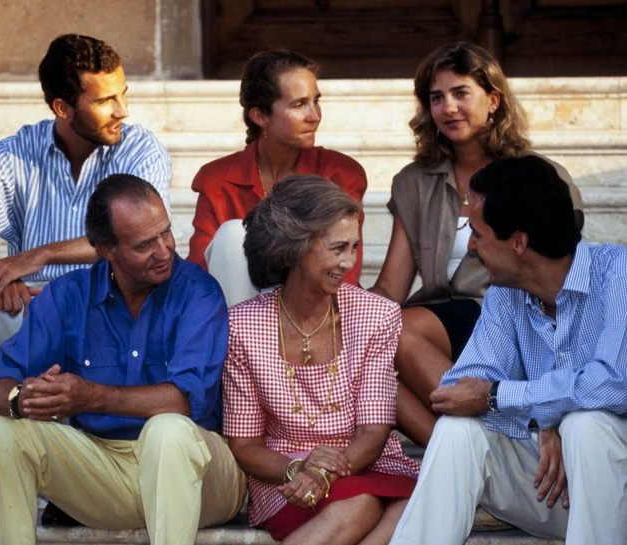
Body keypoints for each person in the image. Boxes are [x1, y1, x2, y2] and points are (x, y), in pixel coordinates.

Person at [0, 34, 172, 525]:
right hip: (32, 312)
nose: (123, 110)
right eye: (105, 100)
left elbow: (138, 237)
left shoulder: (139, 149)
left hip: (105, 313)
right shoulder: (17, 152)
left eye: (123, 93)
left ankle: (82, 483)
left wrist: (35, 256)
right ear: (63, 107)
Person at [0, 174, 246, 545]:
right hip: (106, 469)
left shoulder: (197, 291)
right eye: (145, 244)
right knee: (1, 430)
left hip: (199, 471)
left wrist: (90, 396)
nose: (164, 250)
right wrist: (22, 399)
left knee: (167, 431)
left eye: (166, 232)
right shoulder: (69, 295)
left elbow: (184, 400)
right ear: (105, 250)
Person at [389, 155, 627, 545]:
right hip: (555, 488)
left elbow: (613, 384)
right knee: (459, 429)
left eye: (478, 234)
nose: (471, 247)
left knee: (587, 425)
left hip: (617, 487)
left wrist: (514, 399)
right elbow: (460, 390)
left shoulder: (618, 274)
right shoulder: (505, 294)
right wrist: (544, 418)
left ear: (518, 242)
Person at [368, 41, 584, 447]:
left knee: (395, 330)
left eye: (461, 93)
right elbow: (390, 289)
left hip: (508, 316)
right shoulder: (413, 182)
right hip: (438, 320)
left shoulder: (535, 177)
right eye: (436, 97)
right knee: (370, 363)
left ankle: (491, 445)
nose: (448, 108)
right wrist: (334, 314)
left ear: (493, 100)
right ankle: (466, 454)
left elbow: (563, 271)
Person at [223, 175, 420, 545]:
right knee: (361, 505)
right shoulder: (242, 326)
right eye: (337, 248)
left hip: (368, 461)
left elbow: (374, 431)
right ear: (295, 247)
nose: (349, 262)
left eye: (355, 247)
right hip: (286, 476)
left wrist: (324, 474)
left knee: (414, 509)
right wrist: (300, 470)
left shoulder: (376, 315)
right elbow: (245, 446)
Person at [187, 49, 367, 306]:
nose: (314, 116)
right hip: (241, 310)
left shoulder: (339, 174)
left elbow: (345, 266)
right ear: (260, 116)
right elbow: (199, 274)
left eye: (316, 101)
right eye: (299, 105)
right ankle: (244, 334)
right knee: (232, 235)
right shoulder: (218, 179)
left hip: (320, 309)